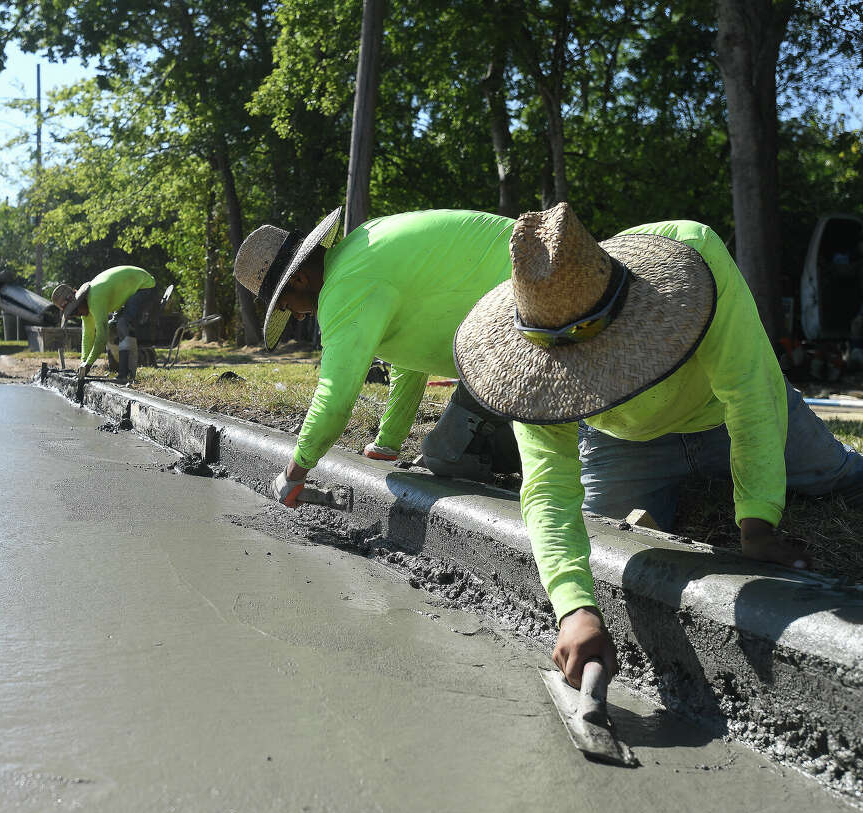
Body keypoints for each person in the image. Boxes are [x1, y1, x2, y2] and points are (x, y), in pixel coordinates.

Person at [452, 202, 863, 688]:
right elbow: (547, 485)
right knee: (607, 540)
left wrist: (757, 523)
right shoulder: (529, 351)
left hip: (720, 413)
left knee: (840, 477)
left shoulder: (695, 255)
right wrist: (574, 608)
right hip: (624, 445)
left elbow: (750, 393)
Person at [233, 207, 521, 508]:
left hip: (526, 320)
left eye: (285, 305)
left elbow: (334, 400)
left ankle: (542, 451)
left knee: (443, 455)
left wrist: (293, 474)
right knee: (446, 448)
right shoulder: (362, 246)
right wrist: (387, 443)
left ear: (299, 279)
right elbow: (412, 359)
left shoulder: (345, 288)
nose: (296, 315)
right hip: (528, 285)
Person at [51, 266, 156, 383]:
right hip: (133, 288)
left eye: (75, 311)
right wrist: (83, 363)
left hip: (145, 286)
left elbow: (101, 337)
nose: (78, 315)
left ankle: (126, 374)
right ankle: (116, 371)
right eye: (72, 314)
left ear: (79, 302)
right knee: (112, 326)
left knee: (123, 324)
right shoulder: (85, 309)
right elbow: (88, 336)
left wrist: (89, 364)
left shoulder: (95, 298)